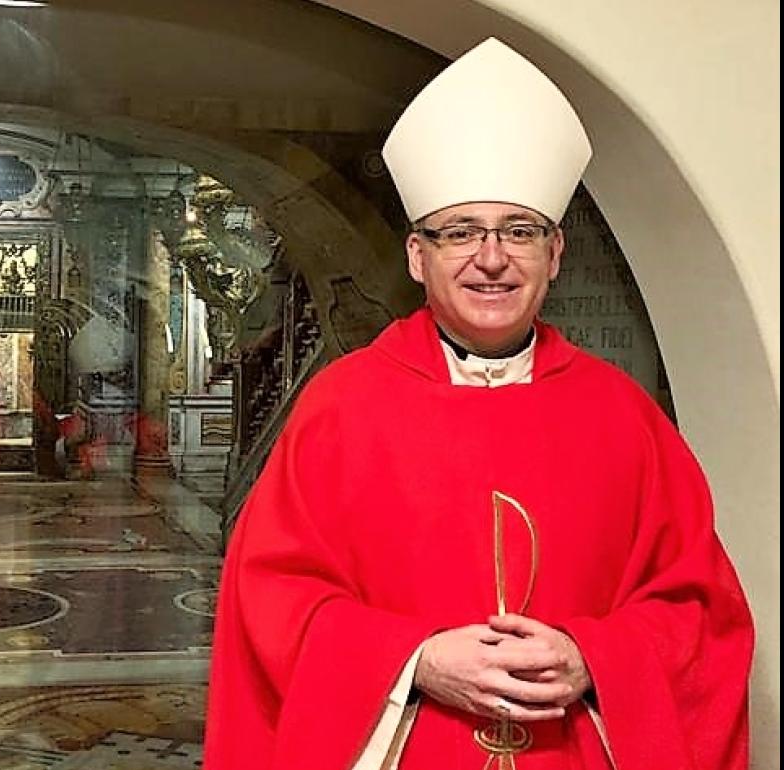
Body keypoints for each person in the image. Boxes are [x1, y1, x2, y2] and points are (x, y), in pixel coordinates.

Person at [205, 38, 753, 770]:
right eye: (461, 231)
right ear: (416, 255)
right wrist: (416, 659)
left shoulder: (624, 417)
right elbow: (269, 607)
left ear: (554, 255)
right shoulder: (339, 410)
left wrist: (595, 656)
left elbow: (701, 618)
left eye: (519, 232)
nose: (491, 259)